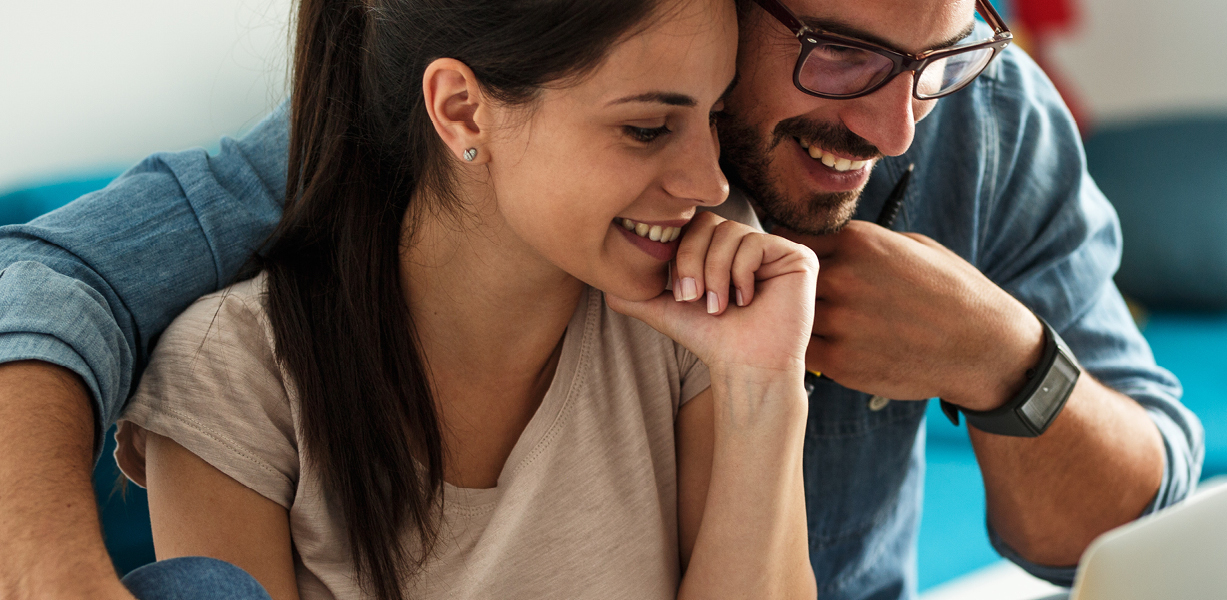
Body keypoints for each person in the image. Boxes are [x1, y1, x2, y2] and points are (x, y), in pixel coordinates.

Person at [0, 0, 1204, 598]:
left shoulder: (981, 120)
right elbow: (47, 278)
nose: (896, 133)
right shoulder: (453, 124)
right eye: (845, 51)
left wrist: (1005, 363)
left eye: (946, 54)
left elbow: (1137, 528)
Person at [109, 0, 820, 597]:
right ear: (462, 111)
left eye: (714, 120)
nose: (710, 183)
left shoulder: (693, 327)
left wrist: (765, 386)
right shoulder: (232, 376)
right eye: (646, 129)